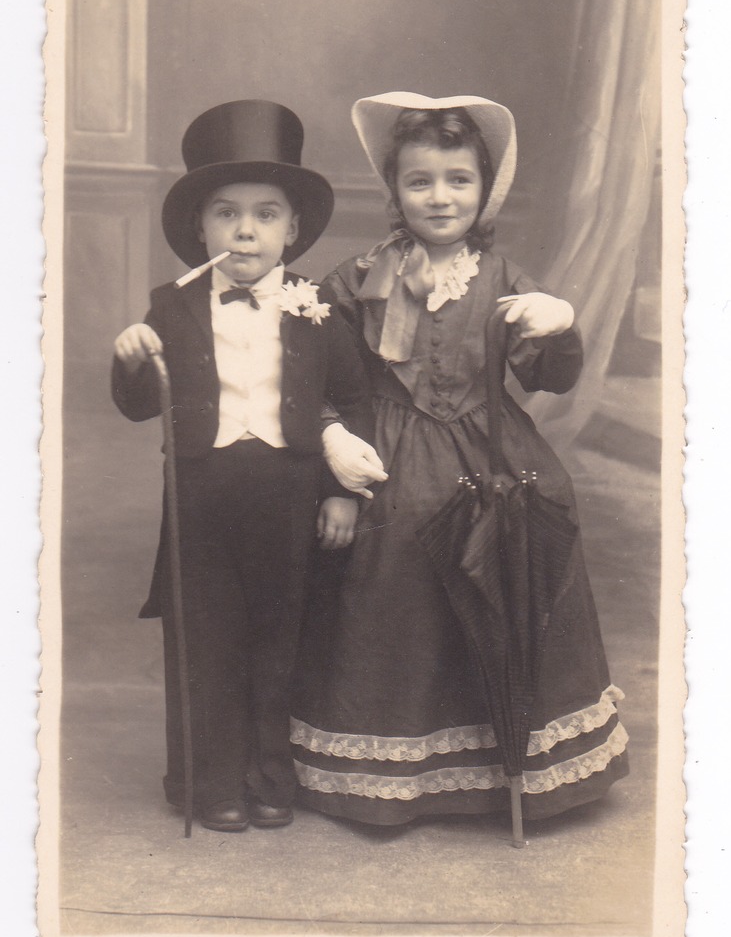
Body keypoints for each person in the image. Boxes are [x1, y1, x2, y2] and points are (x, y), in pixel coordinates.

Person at [292, 92, 629, 827]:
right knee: (394, 554)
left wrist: (558, 327)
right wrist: (328, 438)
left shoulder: (504, 276)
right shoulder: (352, 280)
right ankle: (391, 767)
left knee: (514, 548)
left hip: (490, 452)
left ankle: (497, 763)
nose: (439, 197)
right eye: (419, 181)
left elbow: (547, 376)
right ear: (393, 190)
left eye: (457, 180)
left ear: (485, 189)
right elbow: (313, 376)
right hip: (385, 453)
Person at [112, 99, 374, 833]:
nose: (246, 230)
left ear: (294, 229)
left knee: (277, 641)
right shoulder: (172, 304)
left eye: (265, 214)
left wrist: (341, 495)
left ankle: (269, 776)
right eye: (226, 213)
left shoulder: (316, 307)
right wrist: (131, 358)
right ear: (200, 227)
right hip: (201, 495)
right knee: (206, 642)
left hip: (289, 495)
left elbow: (349, 401)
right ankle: (209, 781)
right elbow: (139, 403)